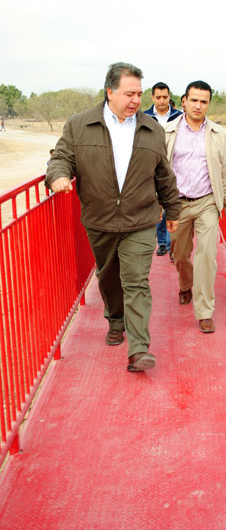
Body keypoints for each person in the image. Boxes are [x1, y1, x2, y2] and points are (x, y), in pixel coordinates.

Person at [45, 62, 181, 372]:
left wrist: (172, 210)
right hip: (100, 219)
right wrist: (57, 177)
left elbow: (164, 176)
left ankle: (139, 349)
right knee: (108, 277)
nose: (136, 100)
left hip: (141, 219)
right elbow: (61, 158)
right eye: (129, 93)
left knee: (136, 282)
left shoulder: (151, 128)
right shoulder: (79, 125)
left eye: (139, 94)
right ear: (110, 92)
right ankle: (115, 319)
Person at [165, 80, 226, 333]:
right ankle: (185, 284)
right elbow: (159, 170)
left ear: (209, 104)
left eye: (203, 101)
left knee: (207, 256)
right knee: (180, 253)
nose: (198, 106)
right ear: (184, 101)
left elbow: (223, 172)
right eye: (193, 100)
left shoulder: (219, 134)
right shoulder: (167, 132)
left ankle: (204, 310)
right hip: (177, 204)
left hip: (207, 202)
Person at [145, 82, 182, 259]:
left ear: (169, 97)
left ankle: (174, 246)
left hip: (175, 167)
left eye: (165, 97)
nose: (161, 101)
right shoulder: (143, 117)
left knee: (173, 207)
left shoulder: (180, 117)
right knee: (158, 206)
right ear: (152, 97)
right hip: (152, 168)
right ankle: (162, 243)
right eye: (158, 97)